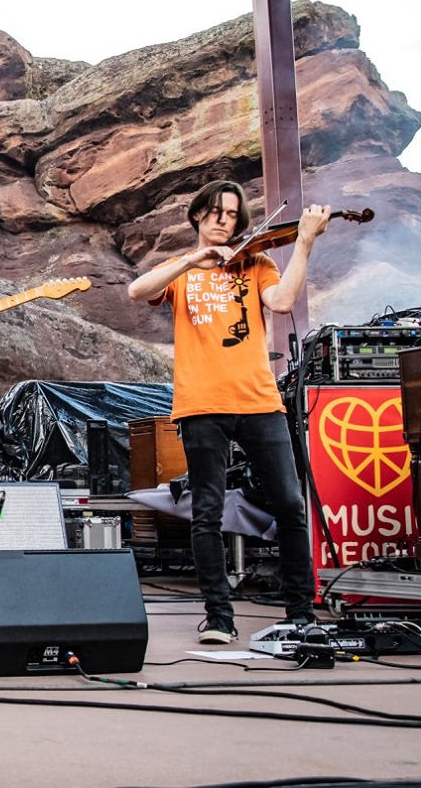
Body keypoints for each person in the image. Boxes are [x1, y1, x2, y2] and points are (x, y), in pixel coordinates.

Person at [127, 181, 329, 644]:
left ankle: (301, 612)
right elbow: (138, 291)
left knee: (290, 505)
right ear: (198, 216)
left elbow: (280, 302)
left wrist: (304, 242)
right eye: (215, 212)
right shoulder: (182, 269)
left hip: (259, 401)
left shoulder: (257, 263)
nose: (224, 221)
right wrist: (189, 261)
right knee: (207, 512)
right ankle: (218, 616)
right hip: (201, 404)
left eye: (233, 214)